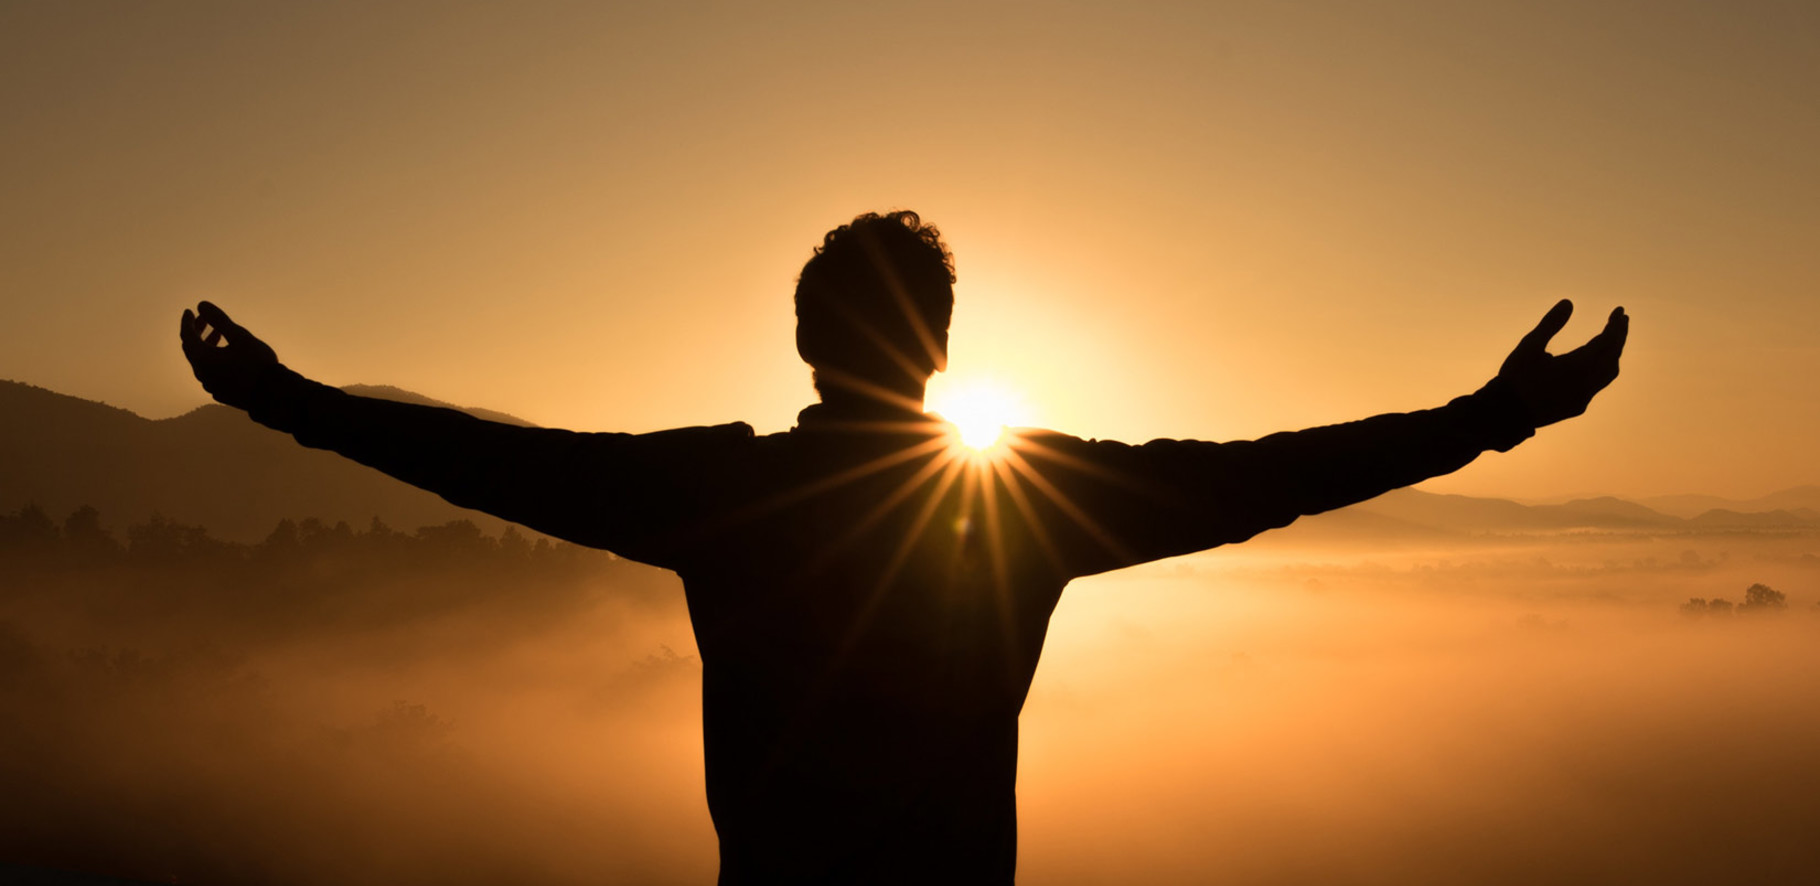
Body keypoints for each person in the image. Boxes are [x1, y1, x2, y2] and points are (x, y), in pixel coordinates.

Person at [180, 210, 1627, 884]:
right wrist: (1486, 421)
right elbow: (1274, 477)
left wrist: (293, 405)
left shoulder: (723, 495)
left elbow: (491, 462)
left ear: (809, 342)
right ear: (940, 351)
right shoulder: (1024, 504)